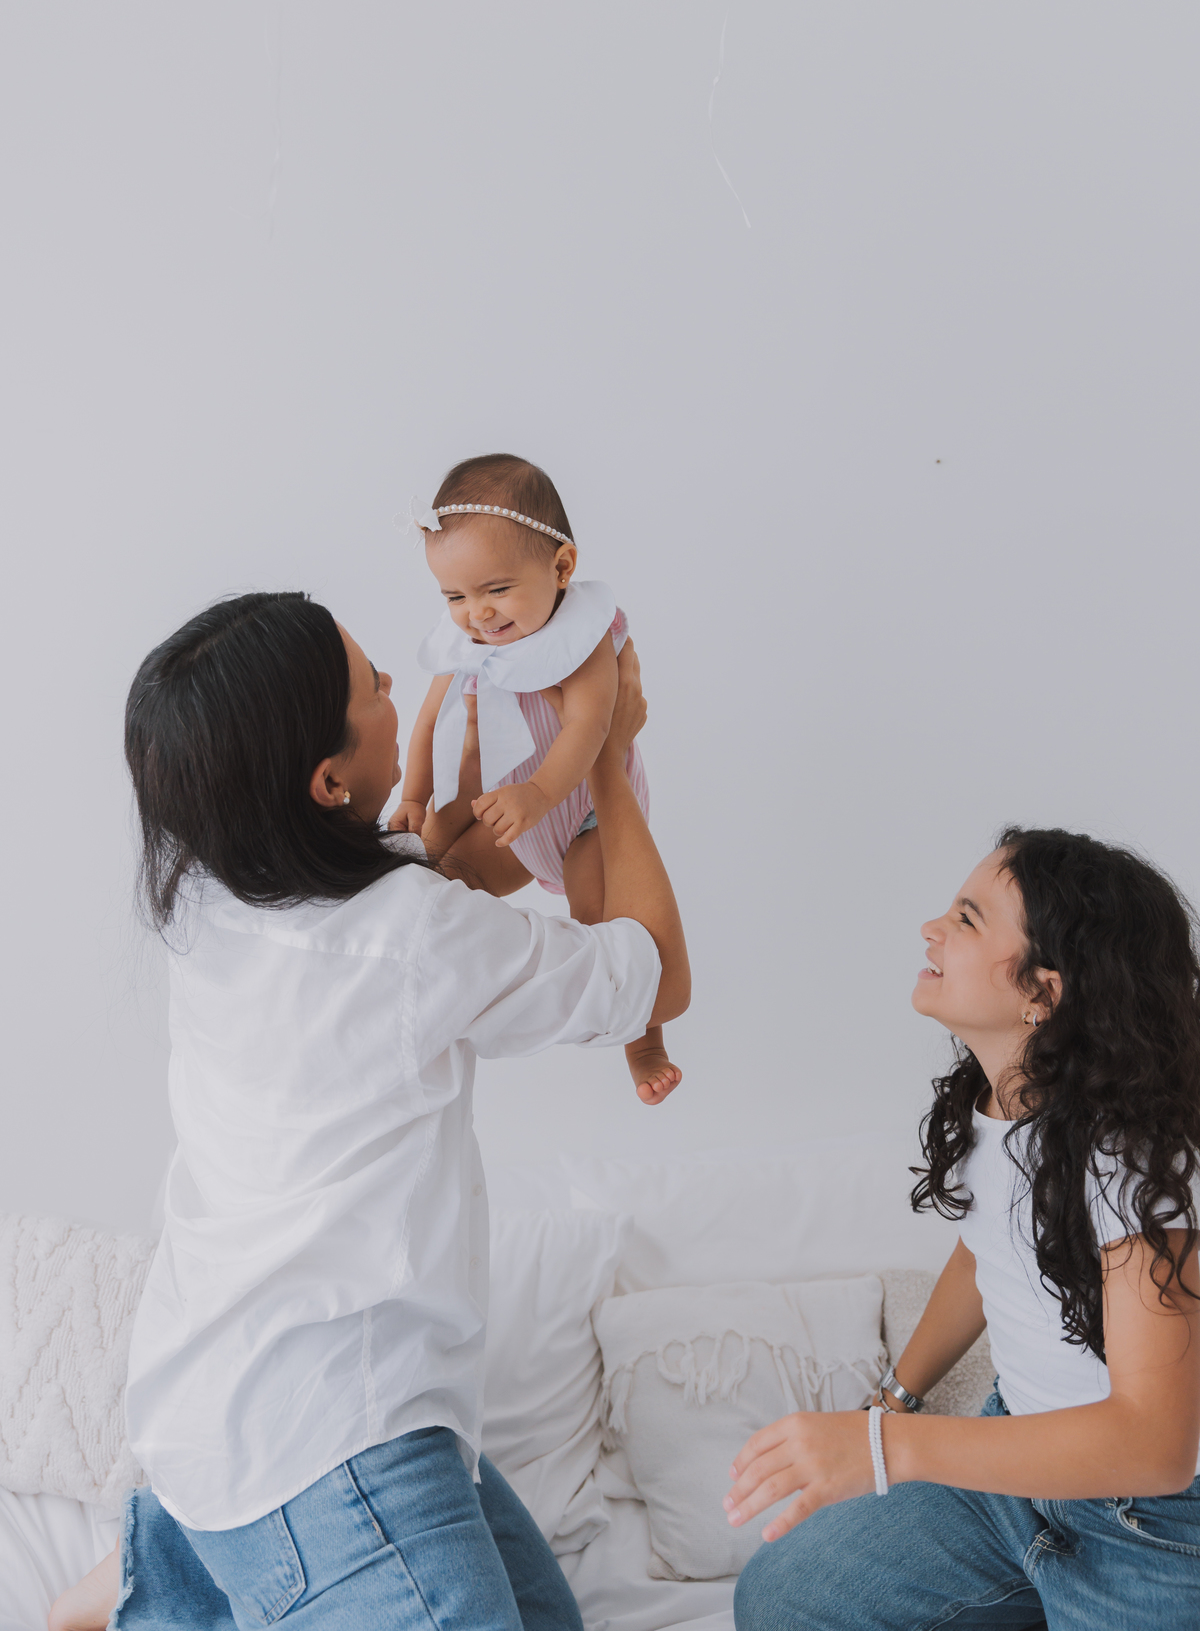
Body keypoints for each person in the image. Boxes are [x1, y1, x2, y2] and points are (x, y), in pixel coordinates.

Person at [49, 590, 688, 1631]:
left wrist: (495, 795)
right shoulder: (410, 934)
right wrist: (605, 760)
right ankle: (168, 1586)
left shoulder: (209, 891)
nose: (396, 688)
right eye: (373, 688)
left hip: (208, 1404)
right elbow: (655, 972)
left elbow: (424, 885)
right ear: (327, 780)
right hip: (333, 1445)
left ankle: (166, 1569)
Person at [729, 826, 1200, 1630]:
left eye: (968, 918)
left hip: (1145, 1524)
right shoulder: (1000, 1100)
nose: (931, 928)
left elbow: (1156, 1448)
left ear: (1043, 992)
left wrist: (886, 1453)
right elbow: (989, 1257)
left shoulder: (1132, 1158)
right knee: (781, 1596)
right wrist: (891, 1404)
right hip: (1014, 1471)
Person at [390, 451, 681, 1106]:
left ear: (561, 568)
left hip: (582, 812)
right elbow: (430, 718)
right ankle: (424, 997)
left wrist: (542, 793)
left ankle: (644, 1042)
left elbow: (589, 724)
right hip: (512, 809)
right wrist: (414, 795)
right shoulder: (467, 639)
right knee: (445, 880)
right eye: (455, 597)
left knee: (603, 928)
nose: (477, 614)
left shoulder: (584, 636)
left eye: (496, 590)